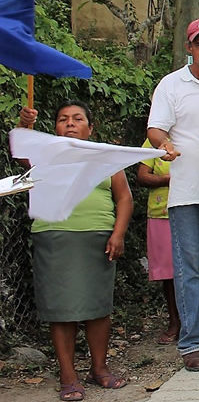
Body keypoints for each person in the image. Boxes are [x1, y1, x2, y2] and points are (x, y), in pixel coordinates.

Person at [18, 102, 133, 401]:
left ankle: (100, 369)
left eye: (77, 118)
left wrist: (118, 234)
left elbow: (124, 199)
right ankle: (68, 376)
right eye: (63, 119)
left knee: (98, 308)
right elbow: (20, 152)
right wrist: (26, 125)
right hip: (54, 238)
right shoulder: (45, 156)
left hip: (97, 238)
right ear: (55, 127)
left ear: (90, 127)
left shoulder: (106, 158)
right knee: (61, 310)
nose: (70, 123)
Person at [146, 18, 199, 372]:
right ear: (190, 47)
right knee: (190, 269)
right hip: (187, 192)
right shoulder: (171, 84)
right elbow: (156, 127)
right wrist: (164, 143)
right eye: (198, 43)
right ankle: (192, 344)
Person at [136, 143, 199, 351]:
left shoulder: (195, 134)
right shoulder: (152, 143)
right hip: (161, 212)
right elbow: (142, 175)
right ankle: (175, 321)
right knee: (170, 272)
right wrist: (169, 180)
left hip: (198, 207)